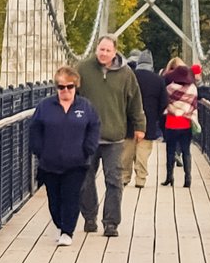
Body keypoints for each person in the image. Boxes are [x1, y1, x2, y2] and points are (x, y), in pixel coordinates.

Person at [75, 34, 145, 236]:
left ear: (115, 52)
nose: (103, 53)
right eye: (101, 49)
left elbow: (135, 101)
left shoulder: (126, 74)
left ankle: (111, 223)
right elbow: (70, 95)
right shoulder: (82, 69)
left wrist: (140, 125)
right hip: (87, 135)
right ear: (96, 49)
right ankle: (89, 216)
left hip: (114, 136)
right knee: (84, 179)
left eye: (107, 50)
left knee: (114, 180)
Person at [29, 66, 100, 246]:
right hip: (50, 162)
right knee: (54, 201)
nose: (65, 91)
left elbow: (94, 126)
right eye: (61, 87)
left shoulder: (85, 107)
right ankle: (61, 224)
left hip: (77, 163)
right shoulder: (45, 106)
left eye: (69, 87)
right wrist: (39, 150)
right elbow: (35, 128)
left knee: (71, 196)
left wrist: (88, 149)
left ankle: (67, 231)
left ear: (76, 87)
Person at [122, 48, 167, 188]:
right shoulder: (158, 80)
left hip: (129, 120)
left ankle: (124, 177)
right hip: (149, 120)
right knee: (143, 152)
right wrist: (156, 116)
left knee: (126, 152)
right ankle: (140, 178)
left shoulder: (129, 76)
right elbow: (164, 102)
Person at [162, 57, 199, 187]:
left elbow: (164, 103)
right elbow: (194, 105)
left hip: (171, 123)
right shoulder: (193, 89)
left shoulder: (169, 88)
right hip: (186, 123)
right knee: (186, 151)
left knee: (170, 150)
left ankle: (169, 177)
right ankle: (187, 179)